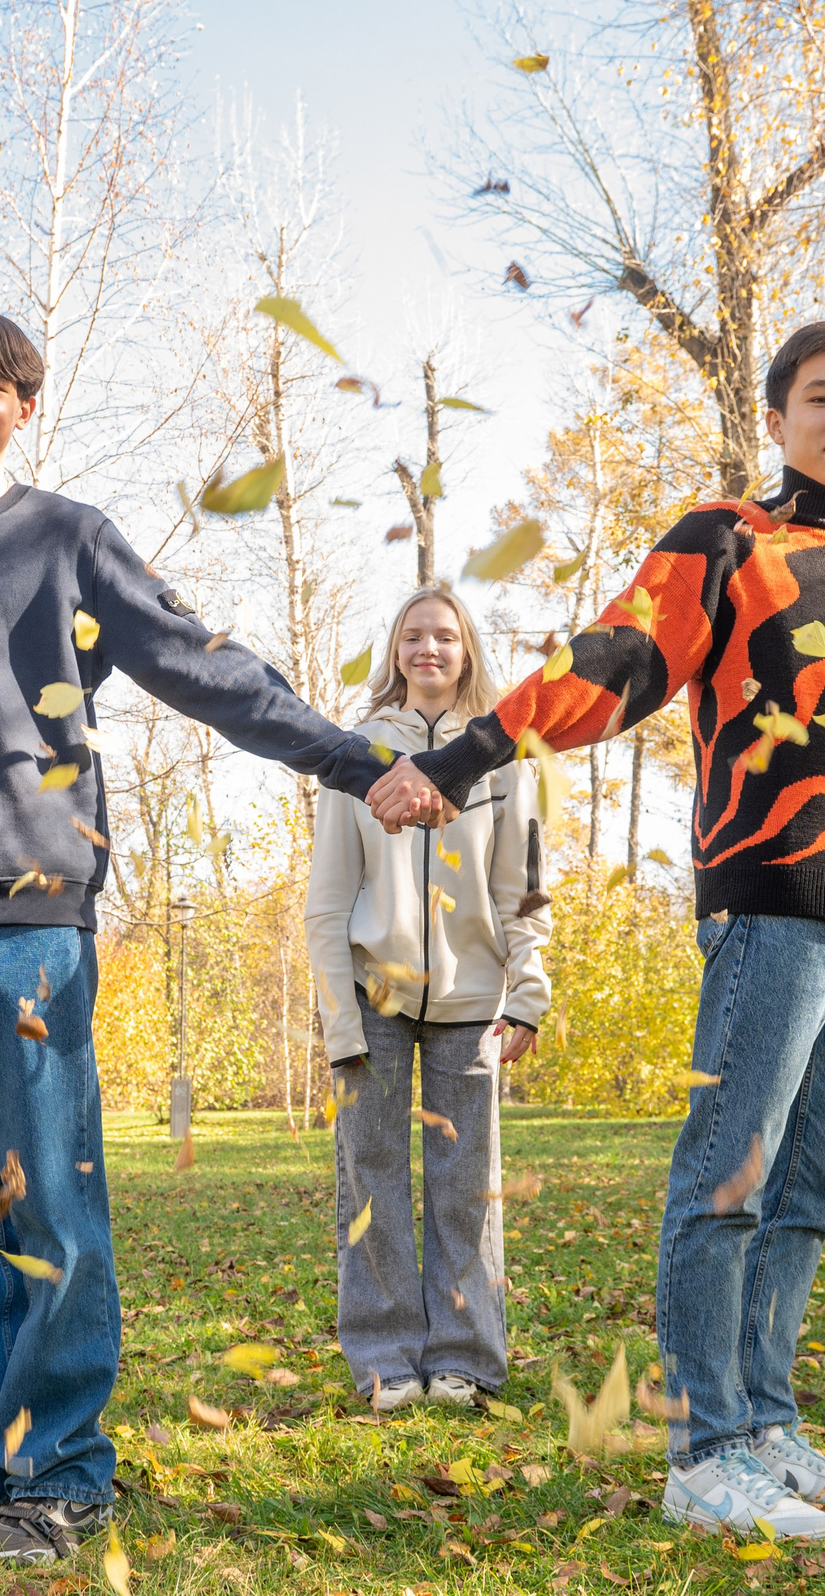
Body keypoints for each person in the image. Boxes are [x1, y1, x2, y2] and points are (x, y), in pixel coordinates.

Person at [369, 319, 825, 1539]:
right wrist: (463, 752)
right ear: (776, 418)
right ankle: (703, 1451)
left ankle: (763, 1422)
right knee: (730, 1179)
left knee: (809, 1189)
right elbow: (613, 661)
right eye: (821, 397)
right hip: (771, 905)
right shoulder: (727, 541)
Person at [0, 308, 396, 1566]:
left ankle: (60, 1470)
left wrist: (350, 757)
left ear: (26, 408)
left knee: (49, 1205)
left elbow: (201, 666)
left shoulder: (67, 541)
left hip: (29, 922)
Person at [306, 585, 550, 1416]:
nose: (429, 649)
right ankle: (385, 1360)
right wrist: (340, 1018)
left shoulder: (503, 756)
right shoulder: (358, 752)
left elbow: (523, 890)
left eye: (444, 636)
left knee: (466, 1182)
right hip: (375, 995)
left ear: (467, 649)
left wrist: (527, 989)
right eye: (414, 635)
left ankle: (464, 1358)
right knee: (369, 1179)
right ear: (396, 649)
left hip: (473, 1002)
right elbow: (328, 899)